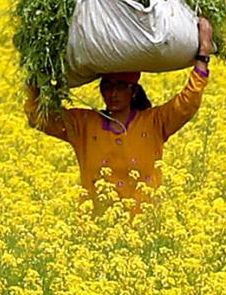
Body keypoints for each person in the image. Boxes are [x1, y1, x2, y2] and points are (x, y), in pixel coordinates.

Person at [25, 18, 214, 212]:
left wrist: (203, 53)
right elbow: (38, 116)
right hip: (95, 231)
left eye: (120, 87)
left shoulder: (153, 123)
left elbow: (188, 102)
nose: (113, 94)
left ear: (133, 91)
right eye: (107, 87)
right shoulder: (83, 125)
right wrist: (35, 71)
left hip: (144, 231)